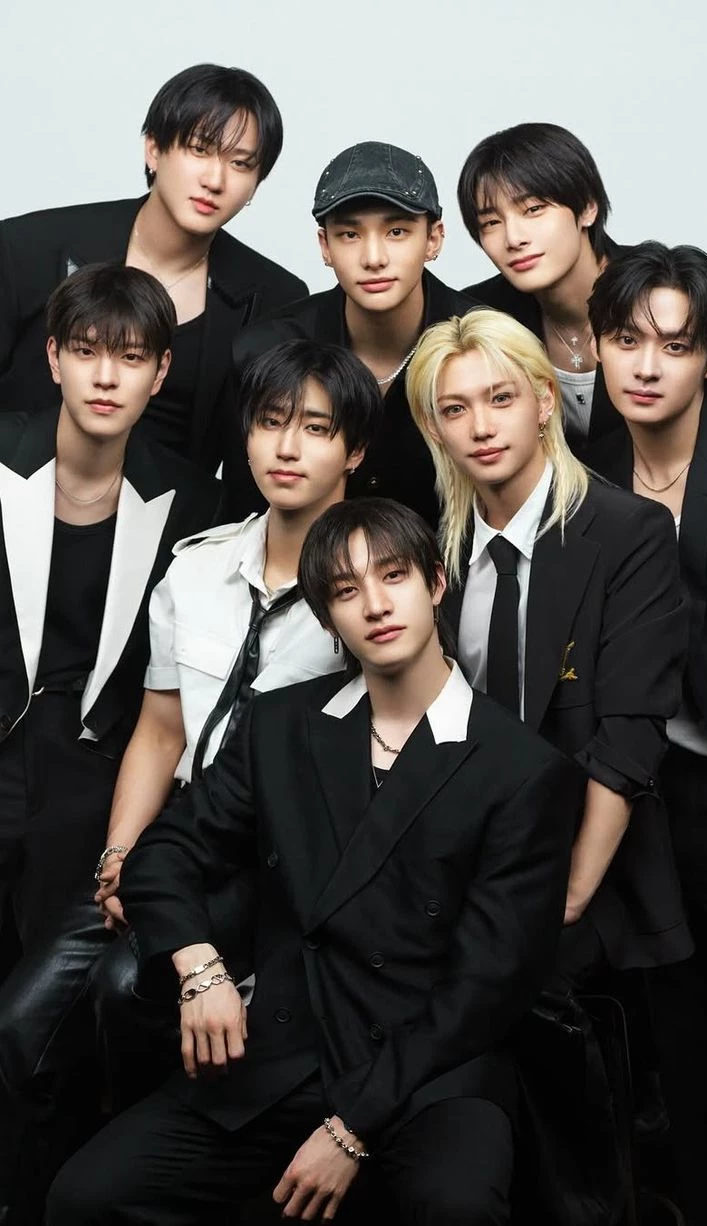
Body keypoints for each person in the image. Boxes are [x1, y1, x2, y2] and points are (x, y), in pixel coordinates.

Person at [47, 497, 582, 1226]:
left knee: (454, 1205)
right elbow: (167, 851)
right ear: (328, 618)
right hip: (286, 1049)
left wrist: (353, 1127)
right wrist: (199, 967)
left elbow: (486, 989)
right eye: (345, 590)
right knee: (87, 1196)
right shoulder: (281, 725)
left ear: (435, 582)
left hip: (431, 1071)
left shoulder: (522, 770)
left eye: (393, 576)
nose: (375, 606)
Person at [0, 339, 383, 1219]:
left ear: (354, 450)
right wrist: (121, 852)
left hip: (284, 869)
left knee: (126, 991)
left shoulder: (376, 586)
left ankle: (139, 1170)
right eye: (270, 423)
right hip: (173, 843)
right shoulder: (199, 564)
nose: (286, 447)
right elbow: (160, 729)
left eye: (315, 428)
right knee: (22, 1024)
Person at [0, 261, 222, 1221]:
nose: (105, 376)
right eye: (86, 351)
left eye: (130, 358)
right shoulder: (1, 456)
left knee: (44, 1020)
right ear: (53, 357)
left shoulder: (192, 499)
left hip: (101, 771)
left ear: (160, 373)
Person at [405, 307, 690, 988]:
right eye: (454, 409)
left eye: (500, 398)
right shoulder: (434, 554)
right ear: (434, 428)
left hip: (593, 876)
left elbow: (629, 732)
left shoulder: (628, 532)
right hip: (465, 871)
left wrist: (571, 891)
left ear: (542, 401)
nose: (480, 426)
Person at [587, 242, 707, 1226]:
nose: (646, 367)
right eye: (627, 340)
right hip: (638, 787)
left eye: (674, 347)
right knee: (673, 1015)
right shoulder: (588, 473)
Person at [0, 63, 307, 506]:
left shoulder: (275, 299)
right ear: (153, 149)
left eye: (240, 164)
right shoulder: (27, 248)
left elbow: (254, 469)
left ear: (257, 184)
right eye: (199, 149)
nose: (215, 180)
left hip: (171, 530)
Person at [233, 141, 479, 526]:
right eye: (350, 235)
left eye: (396, 231)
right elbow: (243, 510)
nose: (373, 258)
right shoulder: (267, 349)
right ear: (325, 246)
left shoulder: (484, 345)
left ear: (433, 238)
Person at [456, 123, 707, 455]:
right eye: (491, 222)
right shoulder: (480, 315)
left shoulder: (675, 294)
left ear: (588, 207)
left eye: (533, 210)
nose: (513, 238)